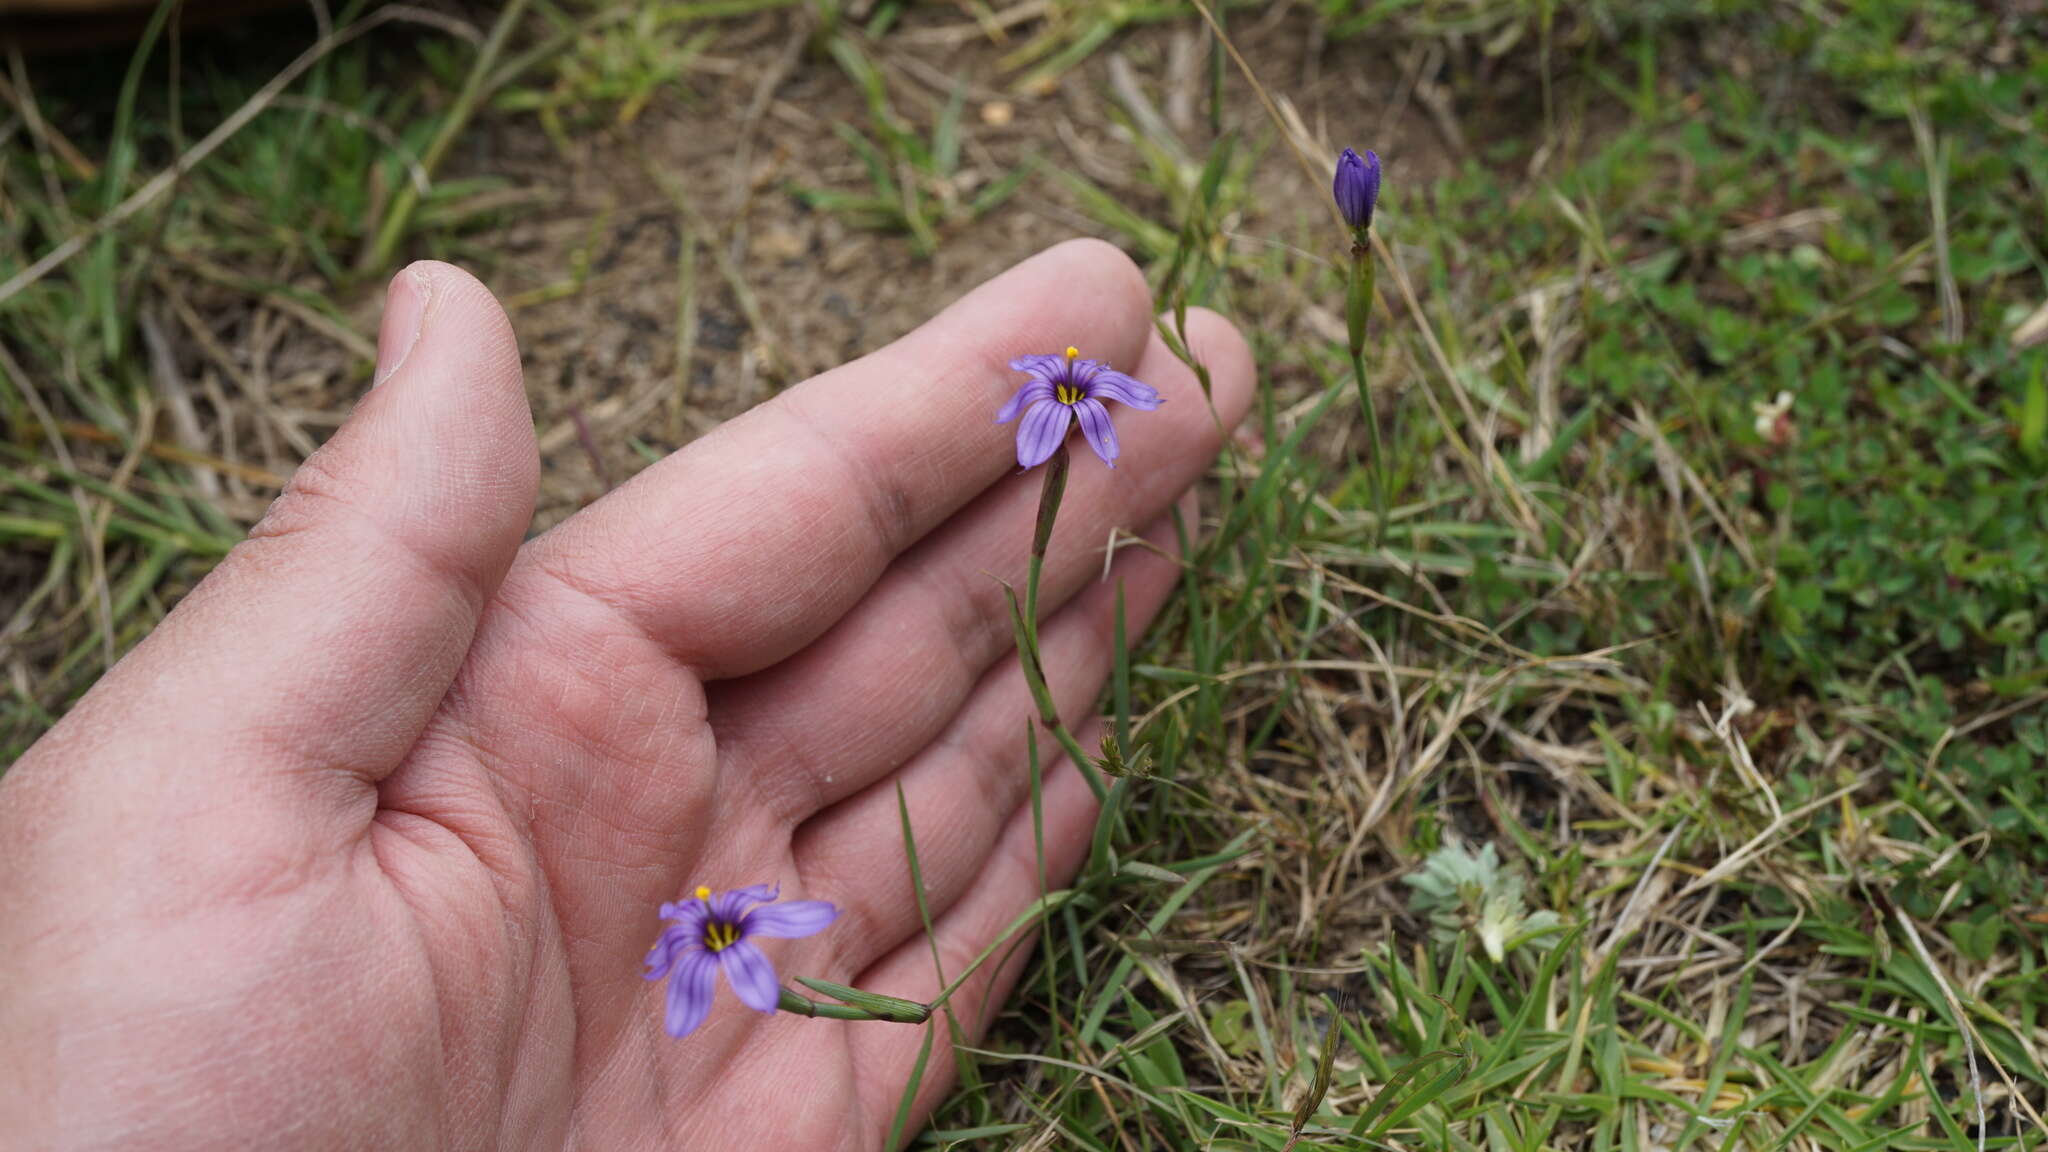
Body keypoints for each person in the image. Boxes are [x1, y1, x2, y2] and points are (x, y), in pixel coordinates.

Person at [0, 240, 1253, 1149]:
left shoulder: (1072, 407)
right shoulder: (726, 953)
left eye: (1082, 391)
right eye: (1071, 387)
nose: (1077, 393)